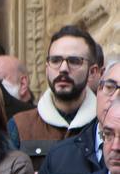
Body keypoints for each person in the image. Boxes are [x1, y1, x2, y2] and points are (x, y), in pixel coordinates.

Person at [12, 26, 102, 166]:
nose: (63, 69)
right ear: (47, 68)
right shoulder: (20, 125)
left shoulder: (106, 125)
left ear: (92, 72)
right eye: (55, 60)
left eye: (74, 61)